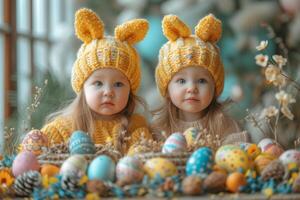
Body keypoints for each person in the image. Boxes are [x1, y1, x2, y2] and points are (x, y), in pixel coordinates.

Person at [41, 8, 152, 153]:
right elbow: (35, 151)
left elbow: (143, 160)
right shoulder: (65, 128)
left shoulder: (136, 127)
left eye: (118, 84)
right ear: (83, 87)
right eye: (98, 83)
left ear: (130, 90)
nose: (108, 92)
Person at [152, 14, 250, 145]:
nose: (192, 88)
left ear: (215, 87)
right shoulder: (160, 128)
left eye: (202, 81)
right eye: (181, 81)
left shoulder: (222, 124)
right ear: (166, 88)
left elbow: (237, 155)